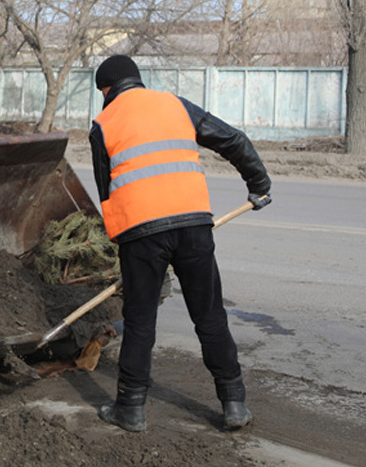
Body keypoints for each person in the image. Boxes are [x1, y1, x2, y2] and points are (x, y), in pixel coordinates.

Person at [89, 54, 271, 433]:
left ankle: (131, 408)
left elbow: (106, 192)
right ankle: (234, 403)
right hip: (193, 225)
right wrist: (258, 185)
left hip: (140, 233)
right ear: (137, 80)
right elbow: (233, 139)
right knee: (209, 316)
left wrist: (125, 247)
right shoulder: (176, 105)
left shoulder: (103, 124)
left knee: (140, 322)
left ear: (106, 89)